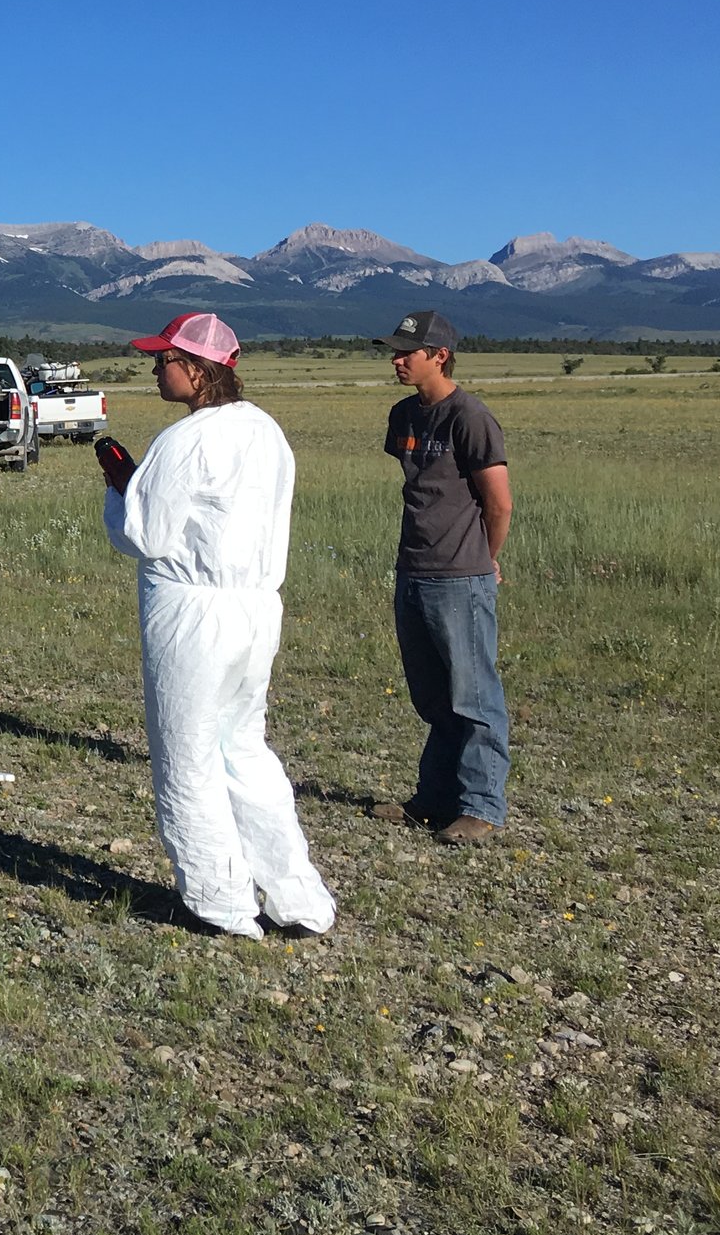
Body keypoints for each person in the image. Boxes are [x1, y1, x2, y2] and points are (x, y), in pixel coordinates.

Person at [99, 311, 336, 940]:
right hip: (257, 609)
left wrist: (120, 486)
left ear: (197, 370)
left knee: (189, 755)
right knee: (245, 749)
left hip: (192, 613)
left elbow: (145, 534)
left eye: (163, 360)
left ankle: (220, 901)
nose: (154, 370)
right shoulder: (267, 432)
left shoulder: (188, 439)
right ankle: (300, 899)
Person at [370, 311, 513, 846]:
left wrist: (484, 558)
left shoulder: (469, 416)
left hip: (460, 575)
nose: (397, 360)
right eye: (395, 350)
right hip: (413, 569)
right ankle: (433, 799)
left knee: (474, 696)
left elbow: (498, 503)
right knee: (432, 696)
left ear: (440, 356)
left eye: (408, 352)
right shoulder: (403, 415)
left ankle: (480, 806)